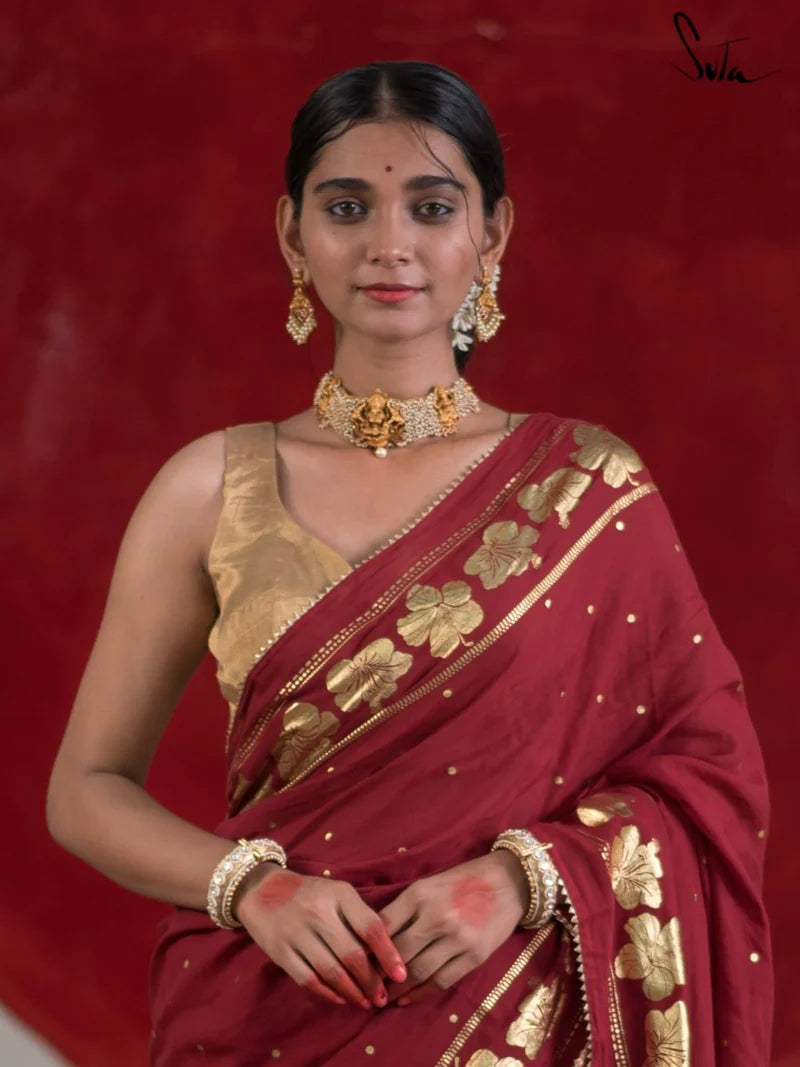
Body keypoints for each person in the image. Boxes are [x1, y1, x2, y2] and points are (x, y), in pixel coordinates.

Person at [46, 60, 772, 1066]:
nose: (390, 244)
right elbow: (84, 787)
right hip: (262, 1016)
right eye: (347, 205)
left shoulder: (586, 486)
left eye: (431, 206)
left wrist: (522, 876)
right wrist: (253, 885)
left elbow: (705, 768)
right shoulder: (211, 486)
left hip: (512, 1015)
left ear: (492, 233)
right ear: (292, 232)